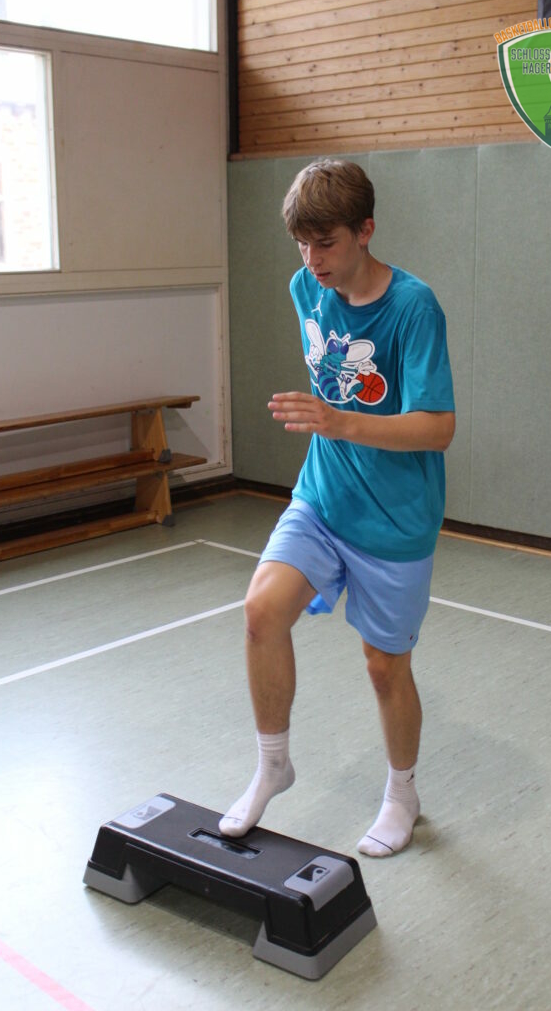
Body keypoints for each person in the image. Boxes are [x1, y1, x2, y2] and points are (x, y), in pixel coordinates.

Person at [219, 158, 455, 857]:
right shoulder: (306, 288)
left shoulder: (413, 307)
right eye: (302, 244)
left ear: (365, 231)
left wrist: (340, 421)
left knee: (384, 667)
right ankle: (273, 765)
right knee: (261, 611)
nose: (312, 260)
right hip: (322, 498)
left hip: (395, 519)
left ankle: (403, 794)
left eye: (325, 243)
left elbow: (438, 427)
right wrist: (332, 428)